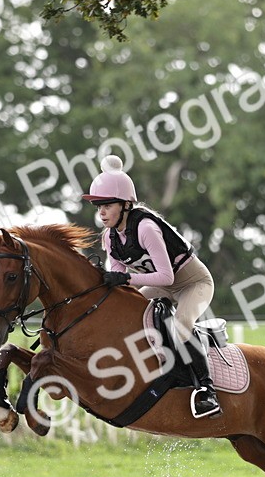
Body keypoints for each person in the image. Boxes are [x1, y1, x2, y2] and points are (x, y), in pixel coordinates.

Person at [82, 154, 221, 419]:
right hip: (162, 286)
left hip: (193, 283)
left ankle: (207, 391)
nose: (101, 213)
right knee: (128, 316)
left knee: (180, 325)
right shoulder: (110, 238)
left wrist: (125, 280)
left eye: (107, 205)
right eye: (98, 206)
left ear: (125, 204)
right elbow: (120, 283)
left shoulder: (146, 227)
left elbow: (167, 277)